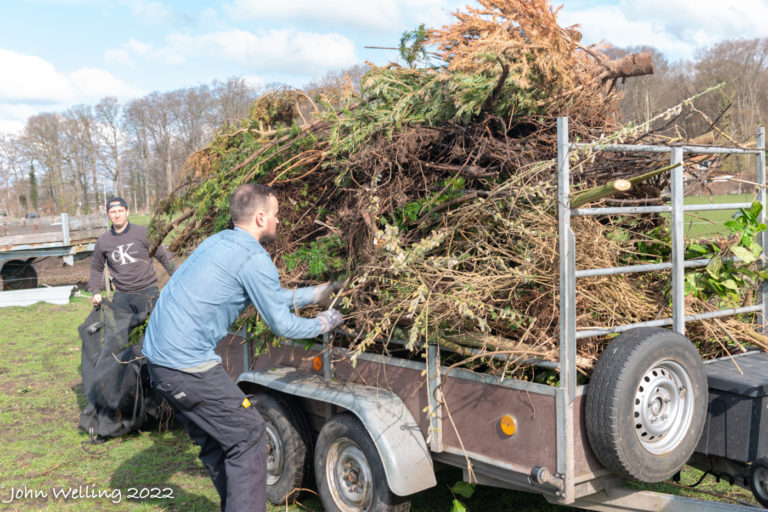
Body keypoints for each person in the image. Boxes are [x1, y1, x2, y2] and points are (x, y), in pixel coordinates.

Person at [141, 183, 344, 512]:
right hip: (186, 367)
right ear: (261, 217)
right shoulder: (253, 256)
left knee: (219, 441)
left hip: (161, 362)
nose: (280, 221)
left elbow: (271, 298)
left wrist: (317, 293)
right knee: (249, 432)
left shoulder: (220, 242)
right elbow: (282, 324)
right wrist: (323, 323)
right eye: (276, 215)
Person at [87, 197, 175, 324]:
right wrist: (95, 291)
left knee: (152, 334)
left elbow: (163, 256)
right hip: (122, 296)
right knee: (125, 339)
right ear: (108, 215)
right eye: (113, 212)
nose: (117, 215)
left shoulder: (143, 233)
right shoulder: (103, 241)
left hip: (147, 293)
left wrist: (176, 275)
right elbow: (96, 267)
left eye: (120, 211)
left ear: (127, 212)